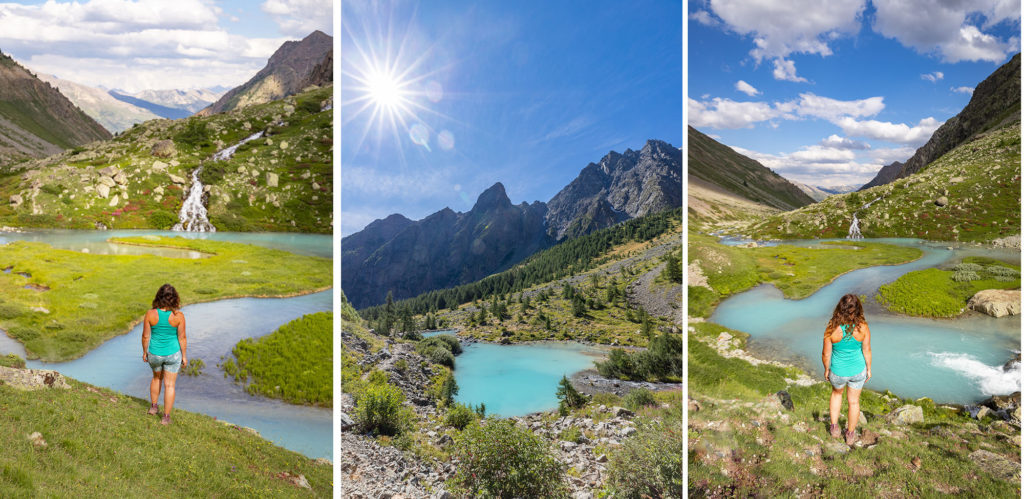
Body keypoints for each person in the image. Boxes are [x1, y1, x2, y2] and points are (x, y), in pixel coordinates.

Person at [821, 293, 872, 446]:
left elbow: (826, 354)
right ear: (857, 310)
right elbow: (867, 350)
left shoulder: (831, 328)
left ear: (839, 308)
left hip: (837, 371)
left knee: (837, 395)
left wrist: (826, 369)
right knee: (854, 402)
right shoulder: (863, 327)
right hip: (858, 371)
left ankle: (835, 428)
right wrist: (869, 369)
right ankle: (850, 434)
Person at [142, 283, 188, 425]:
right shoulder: (179, 316)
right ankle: (166, 417)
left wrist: (145, 352)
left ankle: (154, 408)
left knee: (156, 379)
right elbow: (182, 338)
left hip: (155, 354)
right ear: (174, 298)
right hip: (173, 354)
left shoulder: (150, 314)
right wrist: (184, 356)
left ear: (158, 296)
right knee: (170, 385)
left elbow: (145, 337)